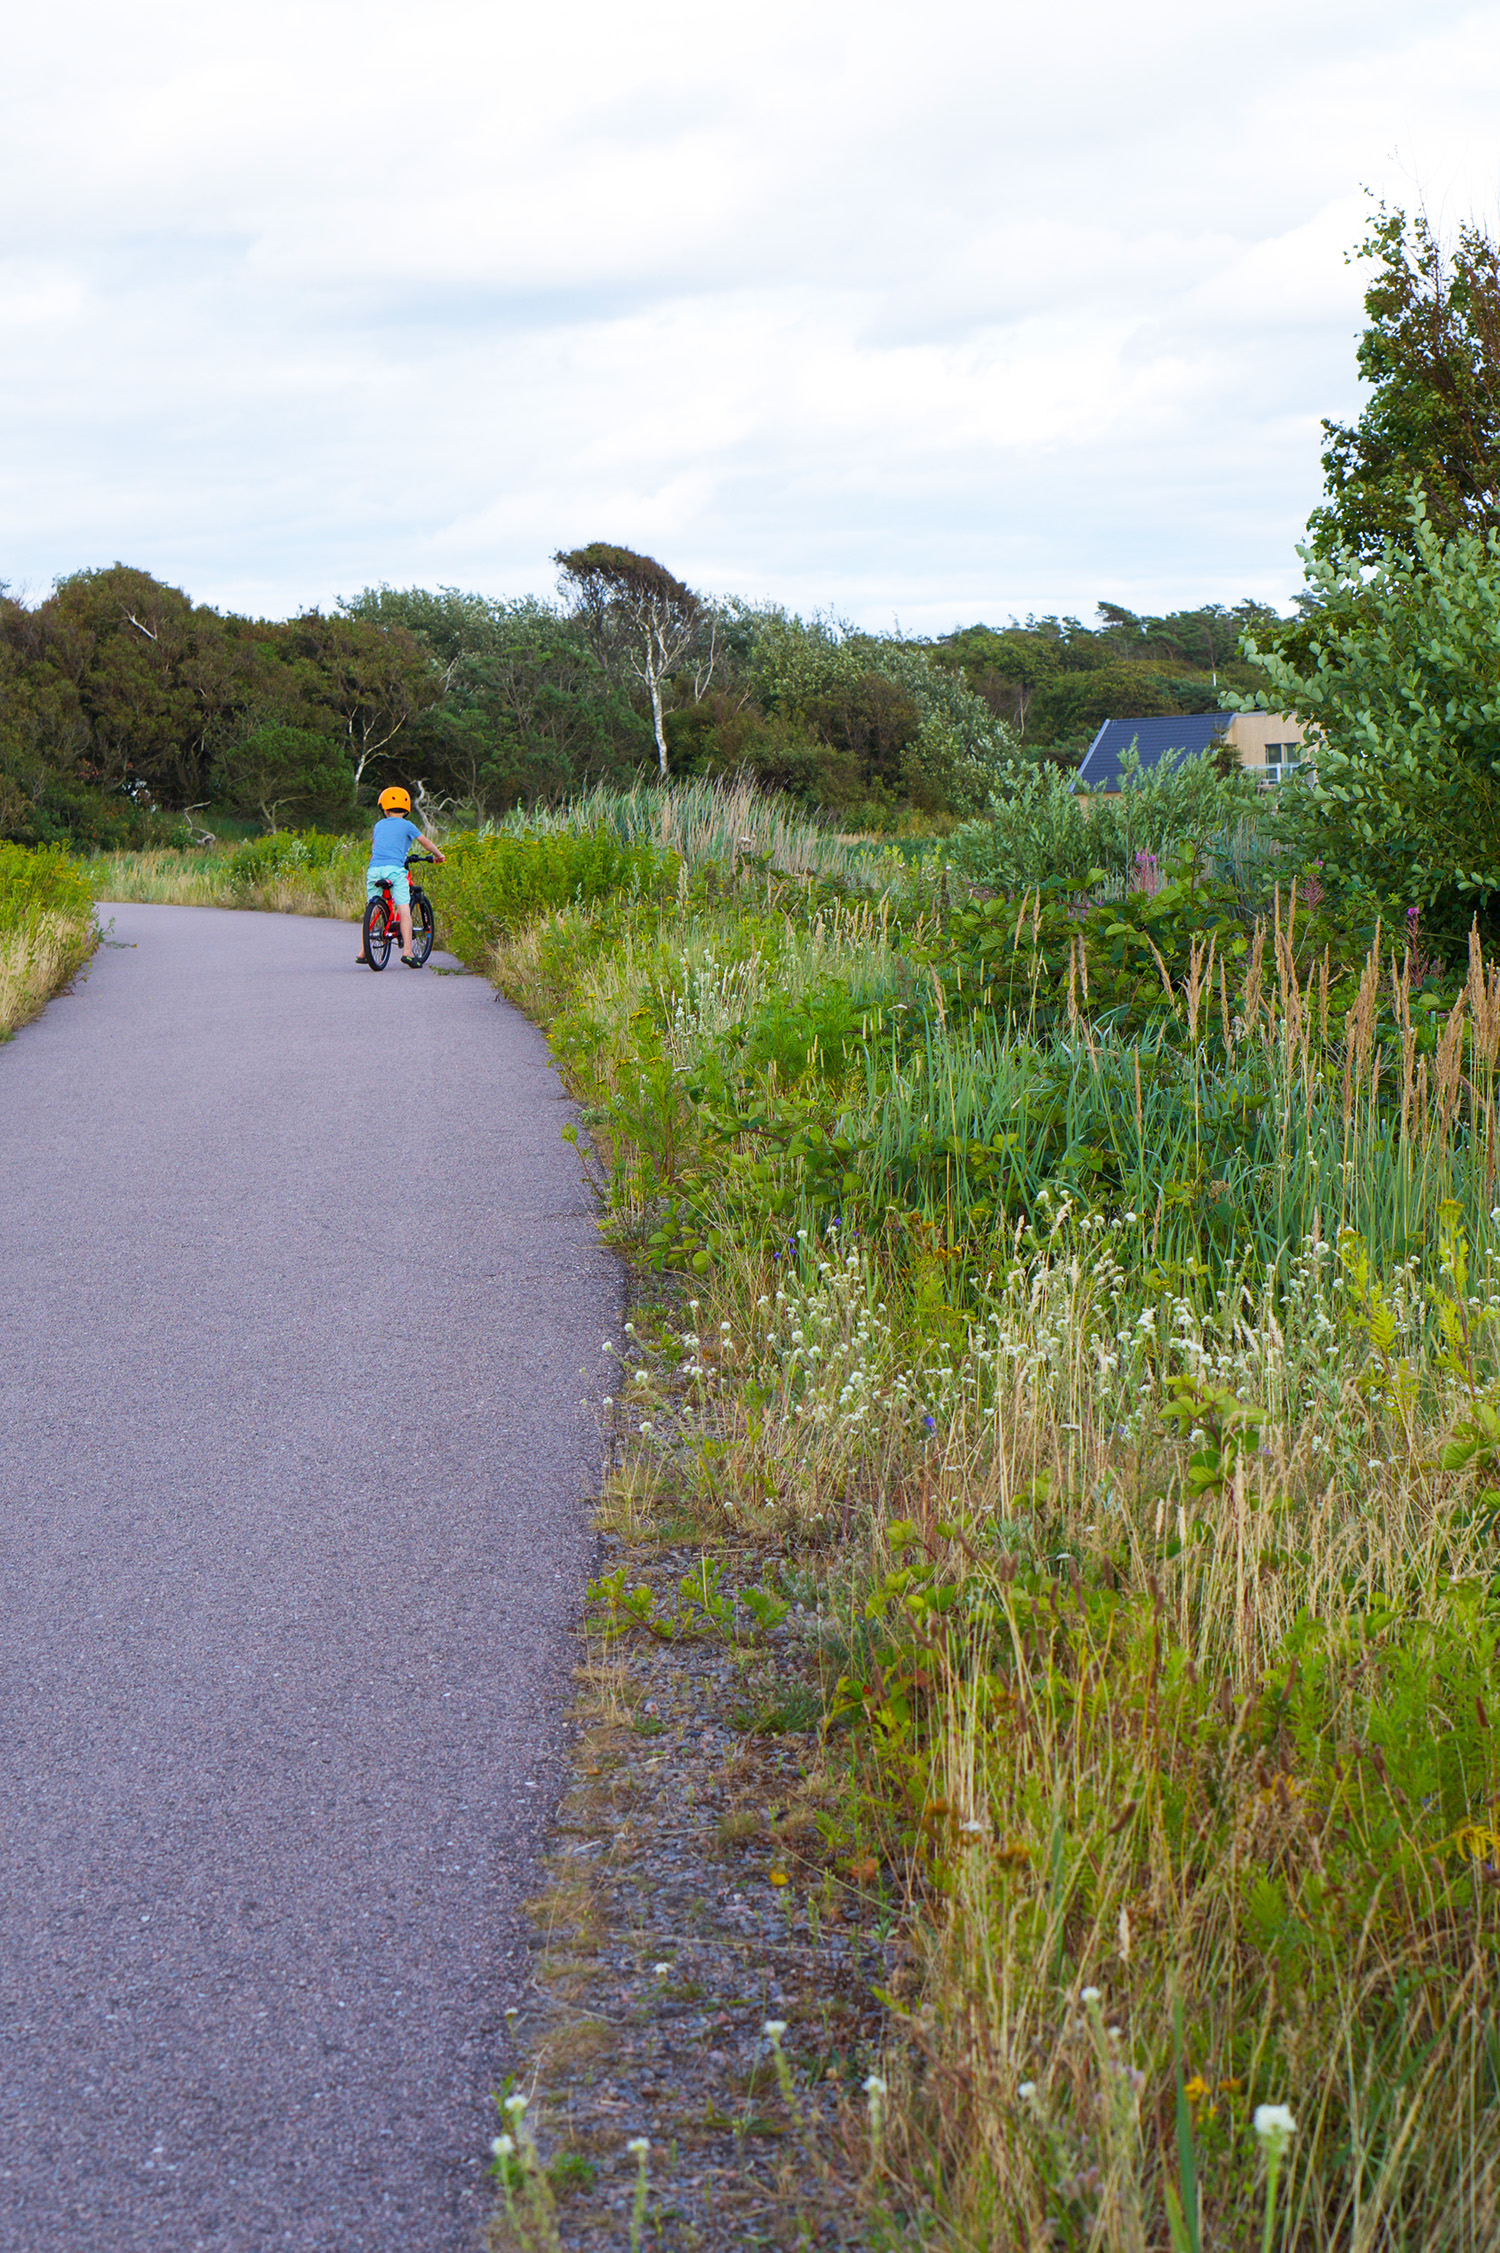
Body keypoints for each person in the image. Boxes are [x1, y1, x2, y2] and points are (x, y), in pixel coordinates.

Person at [359, 787, 446, 967]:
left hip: (374, 869)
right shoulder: (408, 825)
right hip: (395, 870)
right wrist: (438, 855)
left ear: (385, 808)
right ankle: (407, 951)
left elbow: (374, 849)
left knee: (373, 908)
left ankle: (363, 951)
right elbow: (425, 842)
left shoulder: (379, 825)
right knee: (404, 909)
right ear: (406, 809)